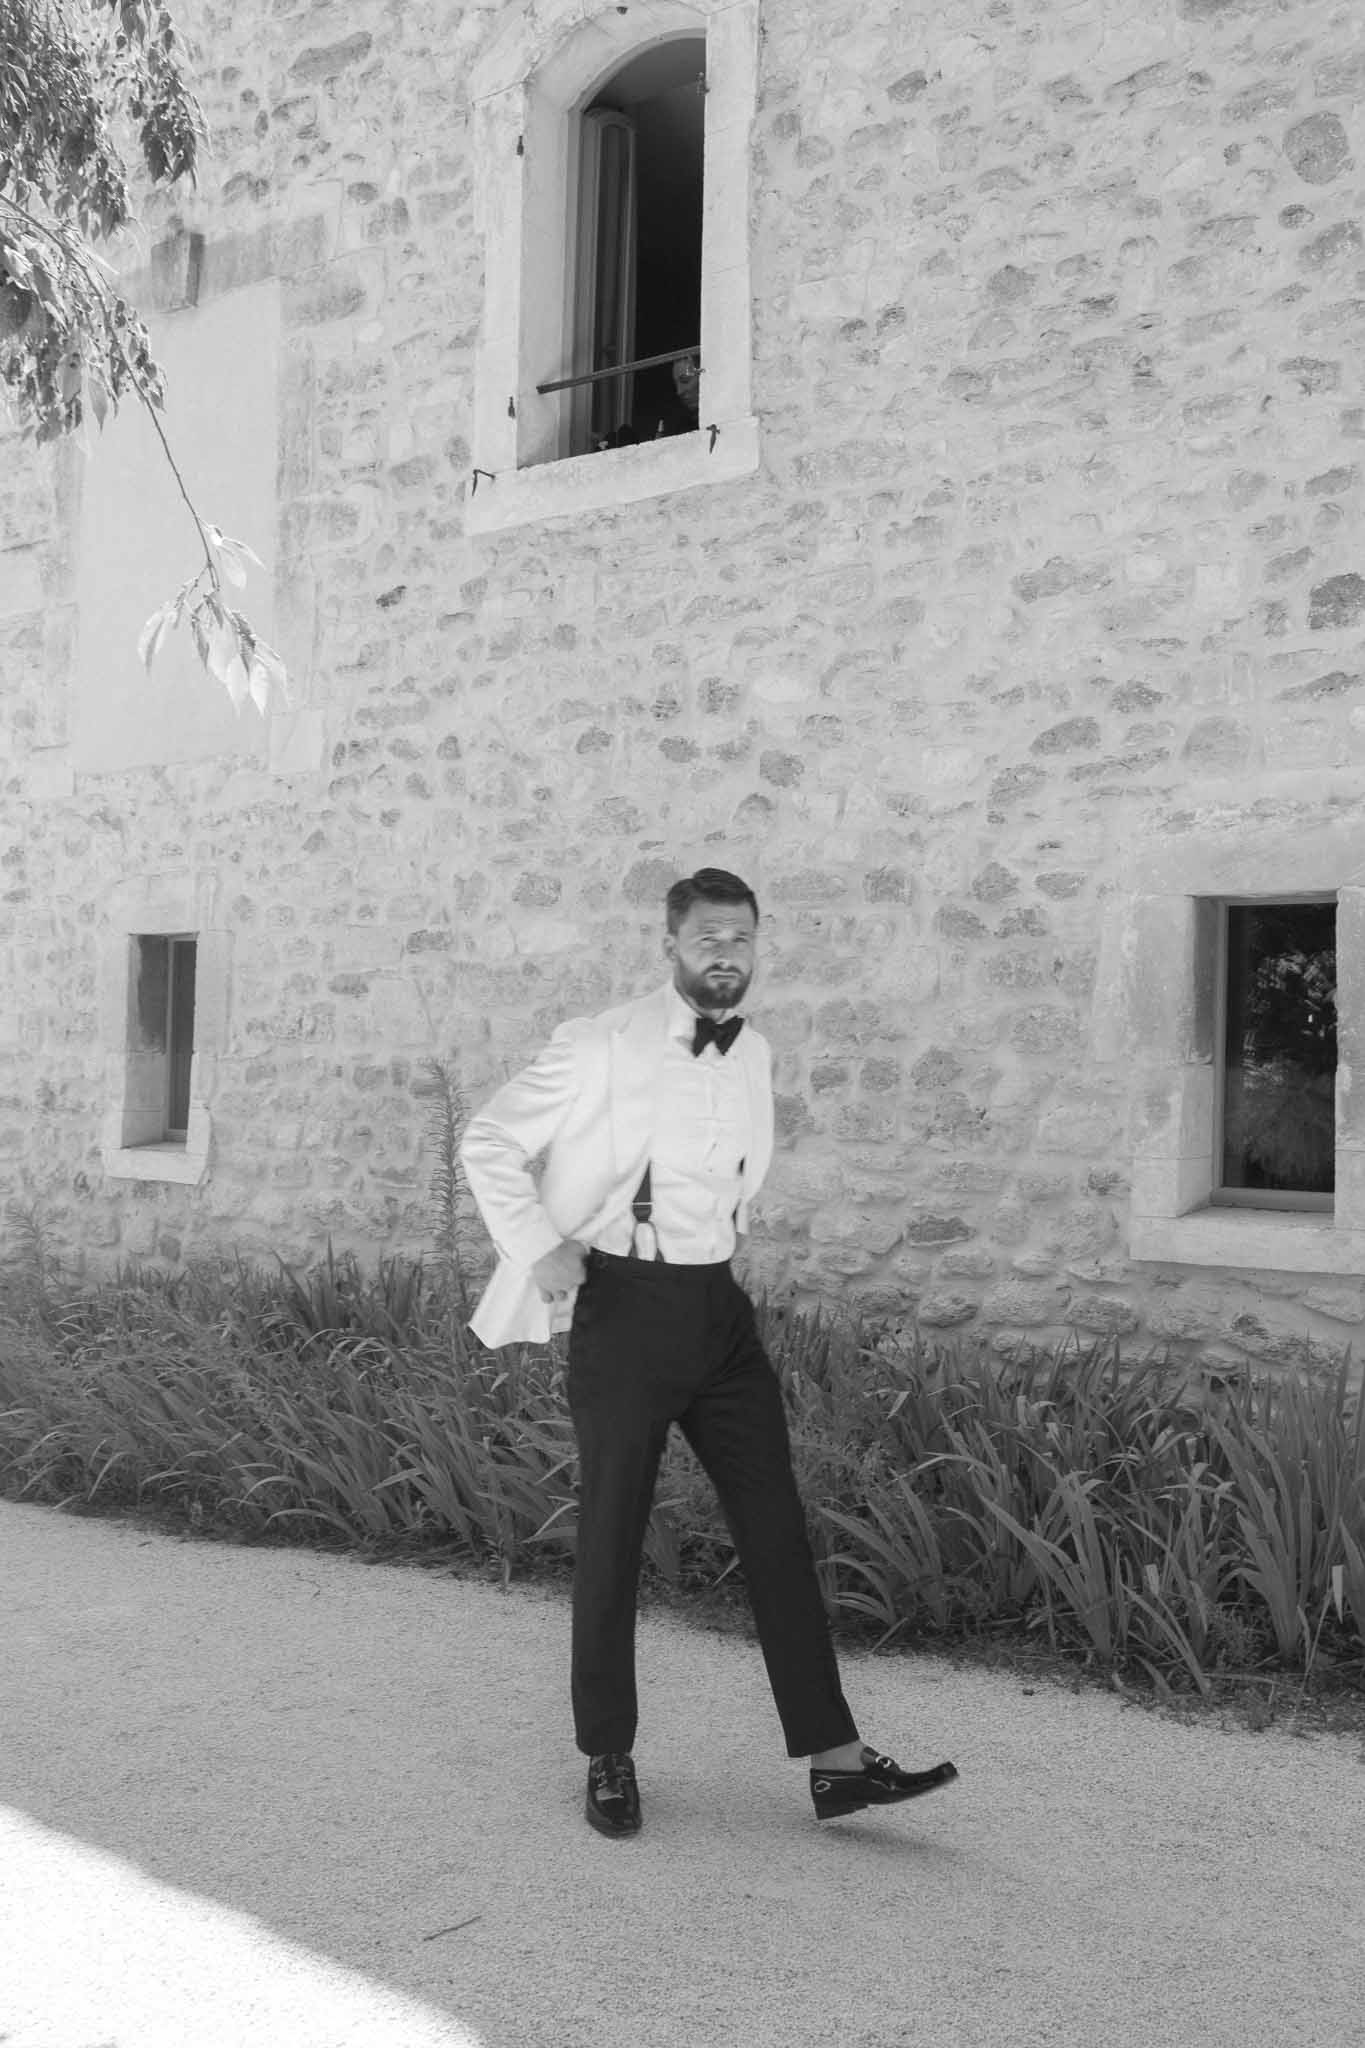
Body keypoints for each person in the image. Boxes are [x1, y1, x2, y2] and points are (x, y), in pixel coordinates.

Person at [459, 868, 958, 1837]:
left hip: (718, 1311)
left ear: (754, 947)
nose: (725, 952)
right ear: (671, 944)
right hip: (626, 1305)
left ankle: (837, 1761)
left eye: (741, 938)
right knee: (611, 1534)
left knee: (775, 1528)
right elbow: (487, 1139)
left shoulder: (754, 1049)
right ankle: (608, 1751)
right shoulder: (602, 1043)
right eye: (707, 937)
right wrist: (538, 1243)